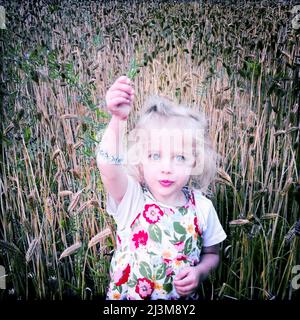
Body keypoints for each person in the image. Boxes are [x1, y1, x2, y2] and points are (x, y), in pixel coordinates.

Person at [96, 75, 226, 300]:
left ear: (194, 161)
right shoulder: (132, 199)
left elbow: (212, 254)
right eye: (155, 155)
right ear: (140, 158)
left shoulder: (202, 208)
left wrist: (199, 272)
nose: (166, 168)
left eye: (180, 157)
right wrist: (117, 119)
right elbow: (107, 164)